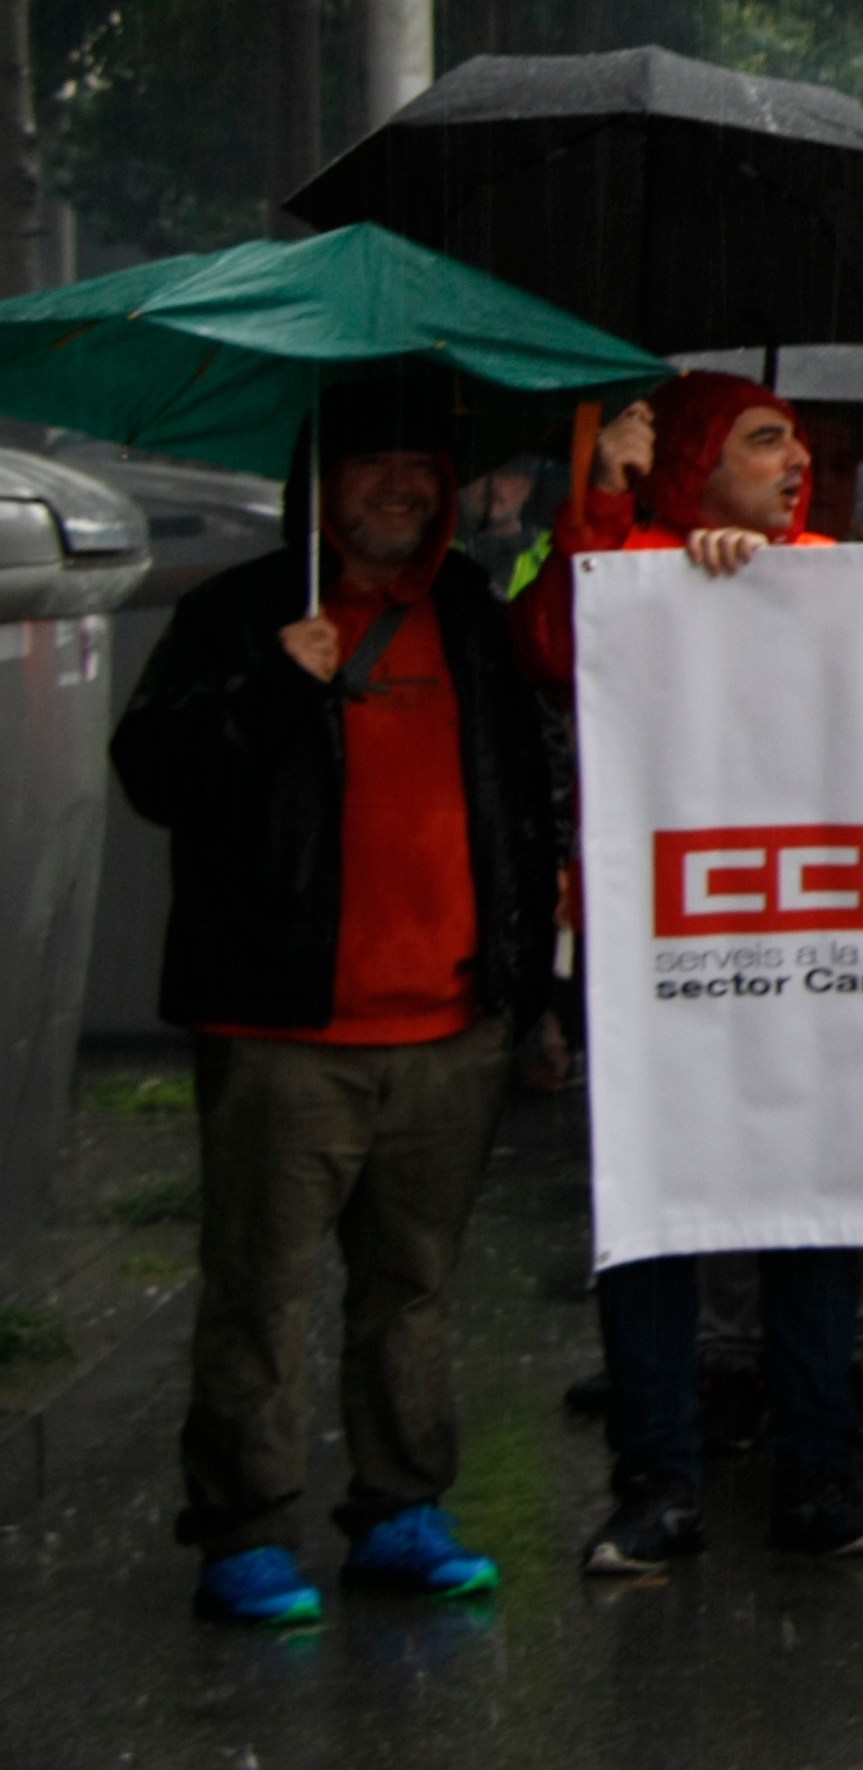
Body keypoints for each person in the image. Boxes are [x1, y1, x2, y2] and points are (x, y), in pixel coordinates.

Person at [109, 367, 566, 1625]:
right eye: (373, 465)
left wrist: (527, 997)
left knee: (410, 1289)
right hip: (280, 1032)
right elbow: (150, 771)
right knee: (260, 1289)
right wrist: (270, 687)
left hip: (449, 1030)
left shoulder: (474, 609)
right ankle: (245, 1531)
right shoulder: (241, 613)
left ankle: (400, 1510)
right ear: (317, 485)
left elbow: (523, 801)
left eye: (422, 466)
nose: (401, 488)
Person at [541, 373, 863, 1577]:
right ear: (694, 463)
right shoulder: (639, 567)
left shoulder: (834, 571)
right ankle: (657, 1483)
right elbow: (552, 640)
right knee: (654, 1225)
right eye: (763, 441)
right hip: (665, 957)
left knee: (819, 1210)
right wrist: (608, 515)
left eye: (799, 443)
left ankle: (819, 1472)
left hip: (808, 949)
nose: (795, 462)